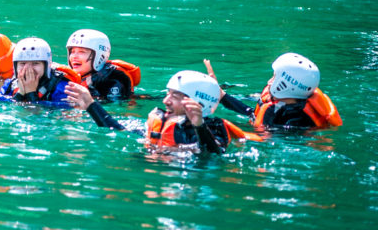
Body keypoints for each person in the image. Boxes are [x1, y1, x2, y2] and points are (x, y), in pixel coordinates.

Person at [65, 69, 260, 154]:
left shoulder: (213, 128)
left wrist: (199, 126)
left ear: (197, 102)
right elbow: (119, 130)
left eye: (175, 96)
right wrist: (91, 105)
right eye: (168, 94)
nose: (166, 101)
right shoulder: (162, 120)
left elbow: (213, 154)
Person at [205, 54, 342, 130]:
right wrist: (221, 94)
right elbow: (253, 113)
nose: (270, 81)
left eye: (274, 77)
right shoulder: (291, 105)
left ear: (288, 84)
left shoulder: (285, 117)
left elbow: (256, 124)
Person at [0, 37, 80, 105]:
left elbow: (40, 117)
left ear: (46, 65)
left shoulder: (62, 88)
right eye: (22, 63)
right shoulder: (10, 85)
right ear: (15, 66)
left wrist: (31, 92)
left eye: (35, 63)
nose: (28, 69)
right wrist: (20, 93)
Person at [65, 29, 140, 100]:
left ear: (100, 56)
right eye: (72, 51)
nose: (74, 56)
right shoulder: (64, 76)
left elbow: (113, 108)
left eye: (82, 52)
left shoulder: (114, 78)